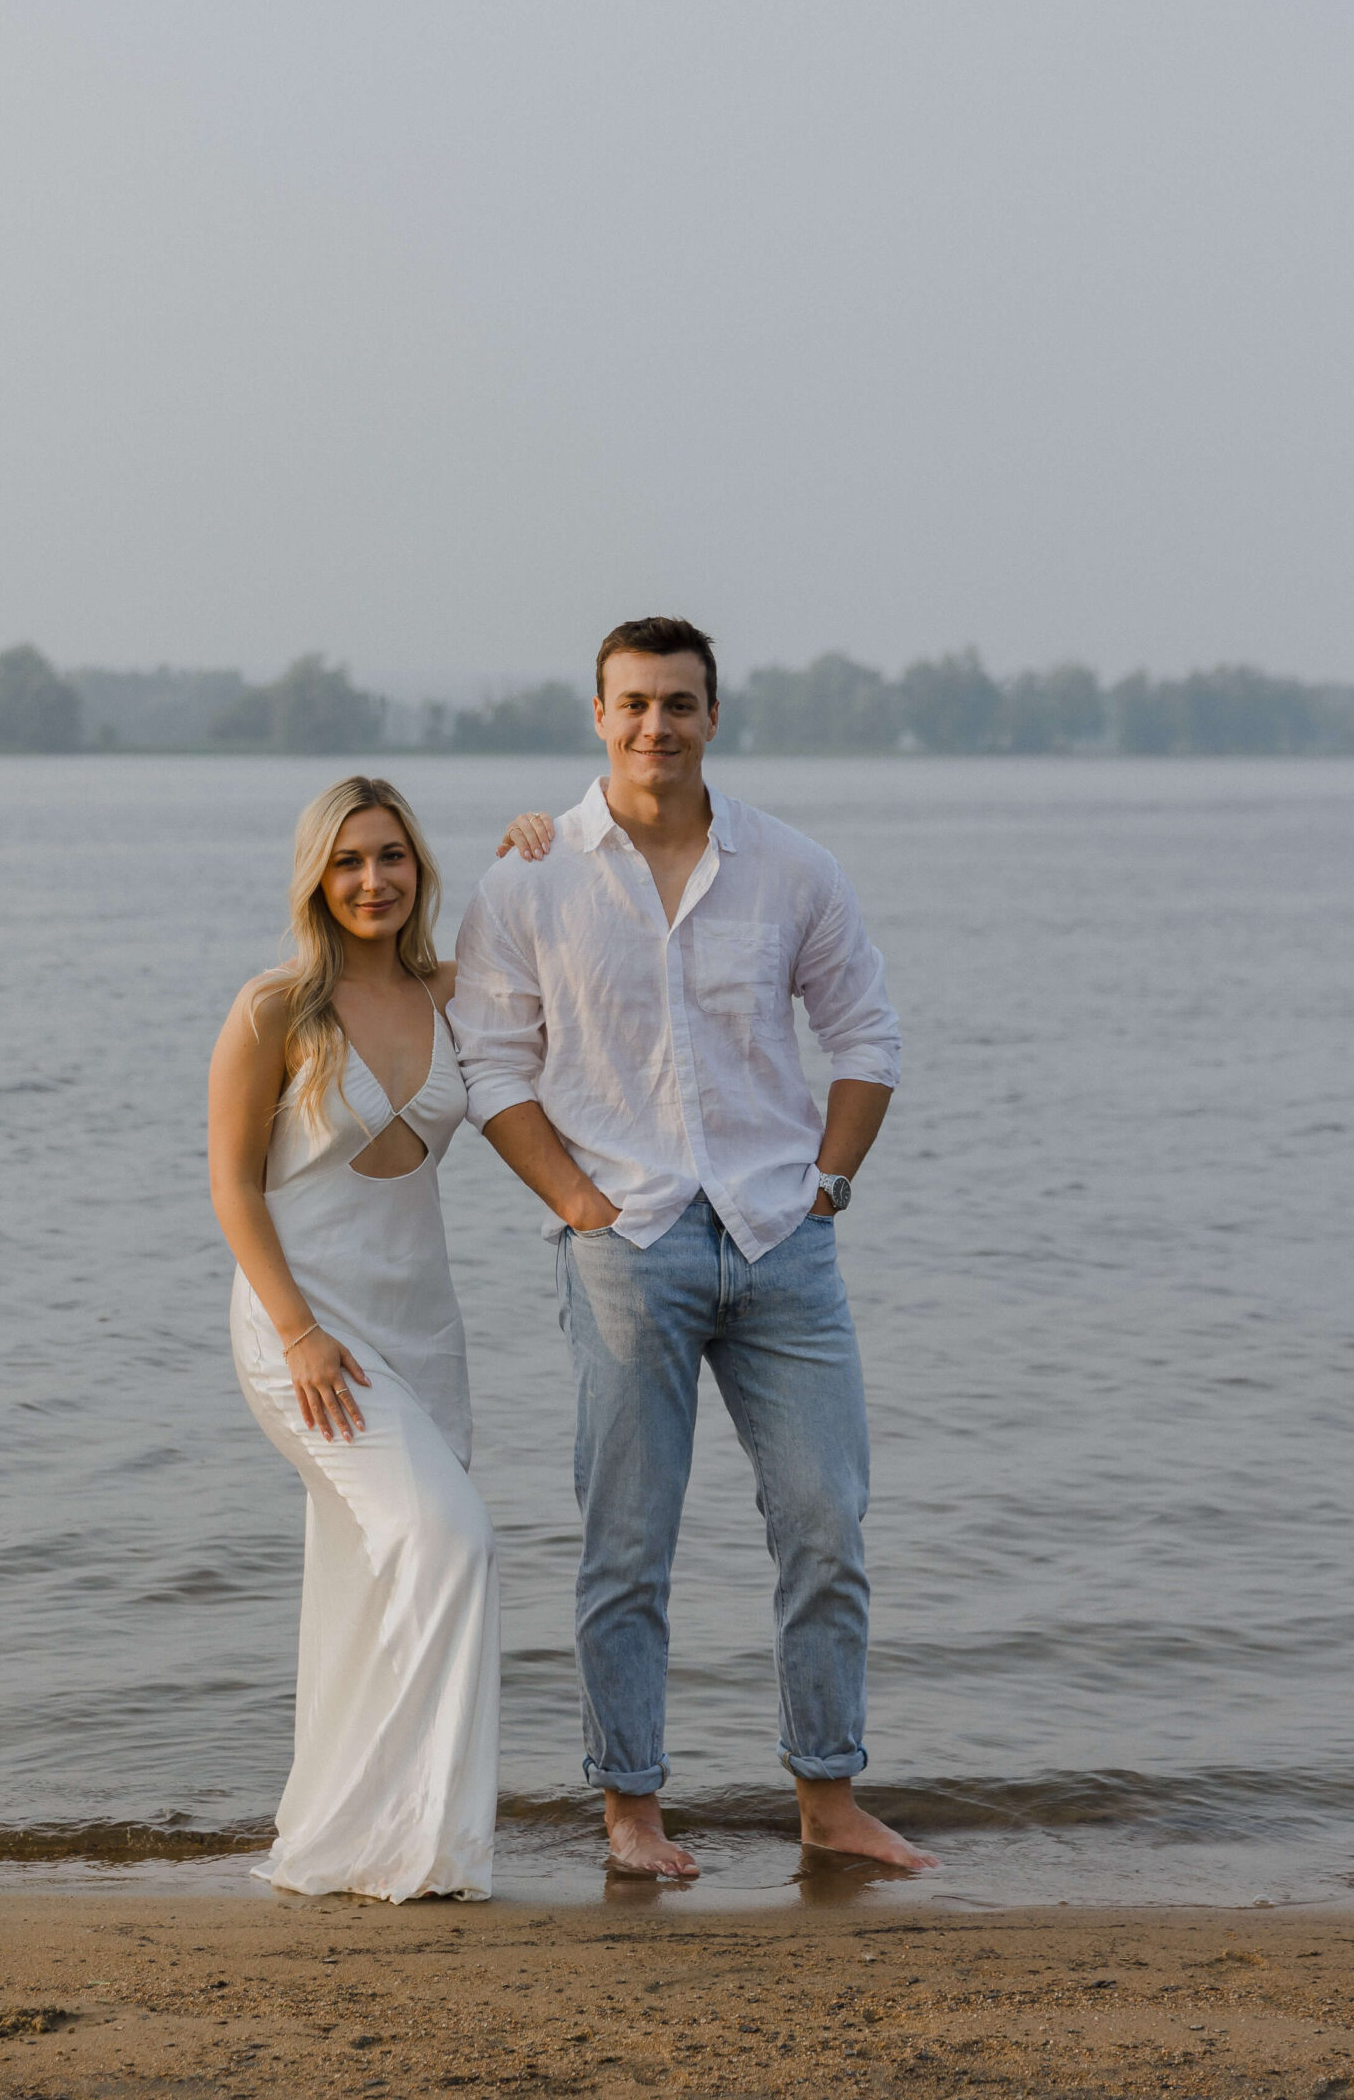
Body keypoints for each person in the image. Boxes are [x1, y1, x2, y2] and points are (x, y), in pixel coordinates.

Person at [450, 616, 939, 1881]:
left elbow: (867, 1034)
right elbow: (493, 1063)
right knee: (628, 1541)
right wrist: (577, 1203)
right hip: (625, 1247)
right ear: (596, 717)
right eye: (632, 705)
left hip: (784, 1241)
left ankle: (828, 1800)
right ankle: (631, 1811)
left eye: (678, 703)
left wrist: (830, 1180)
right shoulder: (532, 877)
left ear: (714, 716)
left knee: (827, 1521)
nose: (654, 726)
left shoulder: (791, 868)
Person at [209, 773, 544, 1903]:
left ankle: (358, 1842)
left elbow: (575, 975)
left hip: (422, 1336)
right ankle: (416, 1847)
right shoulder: (273, 1010)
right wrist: (298, 1333)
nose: (373, 880)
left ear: (420, 869)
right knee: (454, 1542)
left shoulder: (456, 994)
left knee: (371, 1576)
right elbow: (232, 1189)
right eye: (350, 861)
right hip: (306, 1333)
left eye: (392, 857)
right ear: (318, 876)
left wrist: (543, 856)